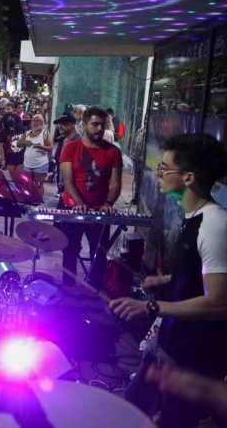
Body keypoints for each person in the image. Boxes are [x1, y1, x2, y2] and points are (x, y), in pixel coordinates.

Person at [110, 133, 227, 427]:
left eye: (164, 168)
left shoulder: (214, 224)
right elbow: (204, 273)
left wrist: (151, 308)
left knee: (174, 421)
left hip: (194, 353)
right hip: (171, 338)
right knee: (133, 406)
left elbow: (219, 304)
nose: (157, 173)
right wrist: (169, 280)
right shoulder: (194, 216)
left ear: (189, 177)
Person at [58, 107, 122, 288]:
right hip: (72, 208)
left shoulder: (113, 151)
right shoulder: (71, 147)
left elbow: (116, 183)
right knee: (69, 251)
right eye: (95, 124)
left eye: (103, 125)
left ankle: (93, 291)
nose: (99, 129)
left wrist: (109, 203)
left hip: (99, 209)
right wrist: (79, 203)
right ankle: (68, 288)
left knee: (99, 254)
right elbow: (67, 181)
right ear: (84, 125)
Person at [17, 114, 53, 199]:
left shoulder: (45, 133)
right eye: (34, 121)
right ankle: (29, 200)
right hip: (27, 163)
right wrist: (24, 142)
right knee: (27, 183)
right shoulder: (27, 133)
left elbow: (50, 148)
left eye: (38, 121)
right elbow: (18, 144)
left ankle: (38, 202)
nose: (36, 123)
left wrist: (41, 147)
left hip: (40, 163)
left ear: (42, 123)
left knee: (39, 183)